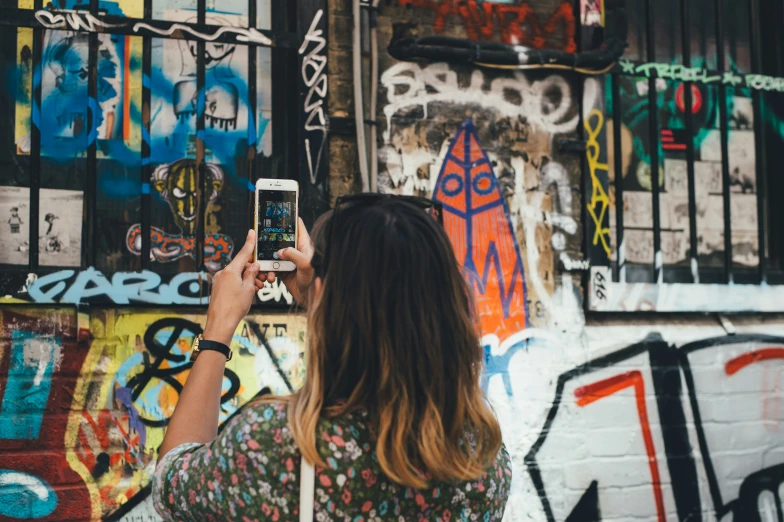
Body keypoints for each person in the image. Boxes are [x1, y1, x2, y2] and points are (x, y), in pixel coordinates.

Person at [152, 195, 511, 521]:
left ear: (321, 291)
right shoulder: (481, 455)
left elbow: (170, 484)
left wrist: (218, 329)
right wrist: (325, 301)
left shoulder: (274, 445)